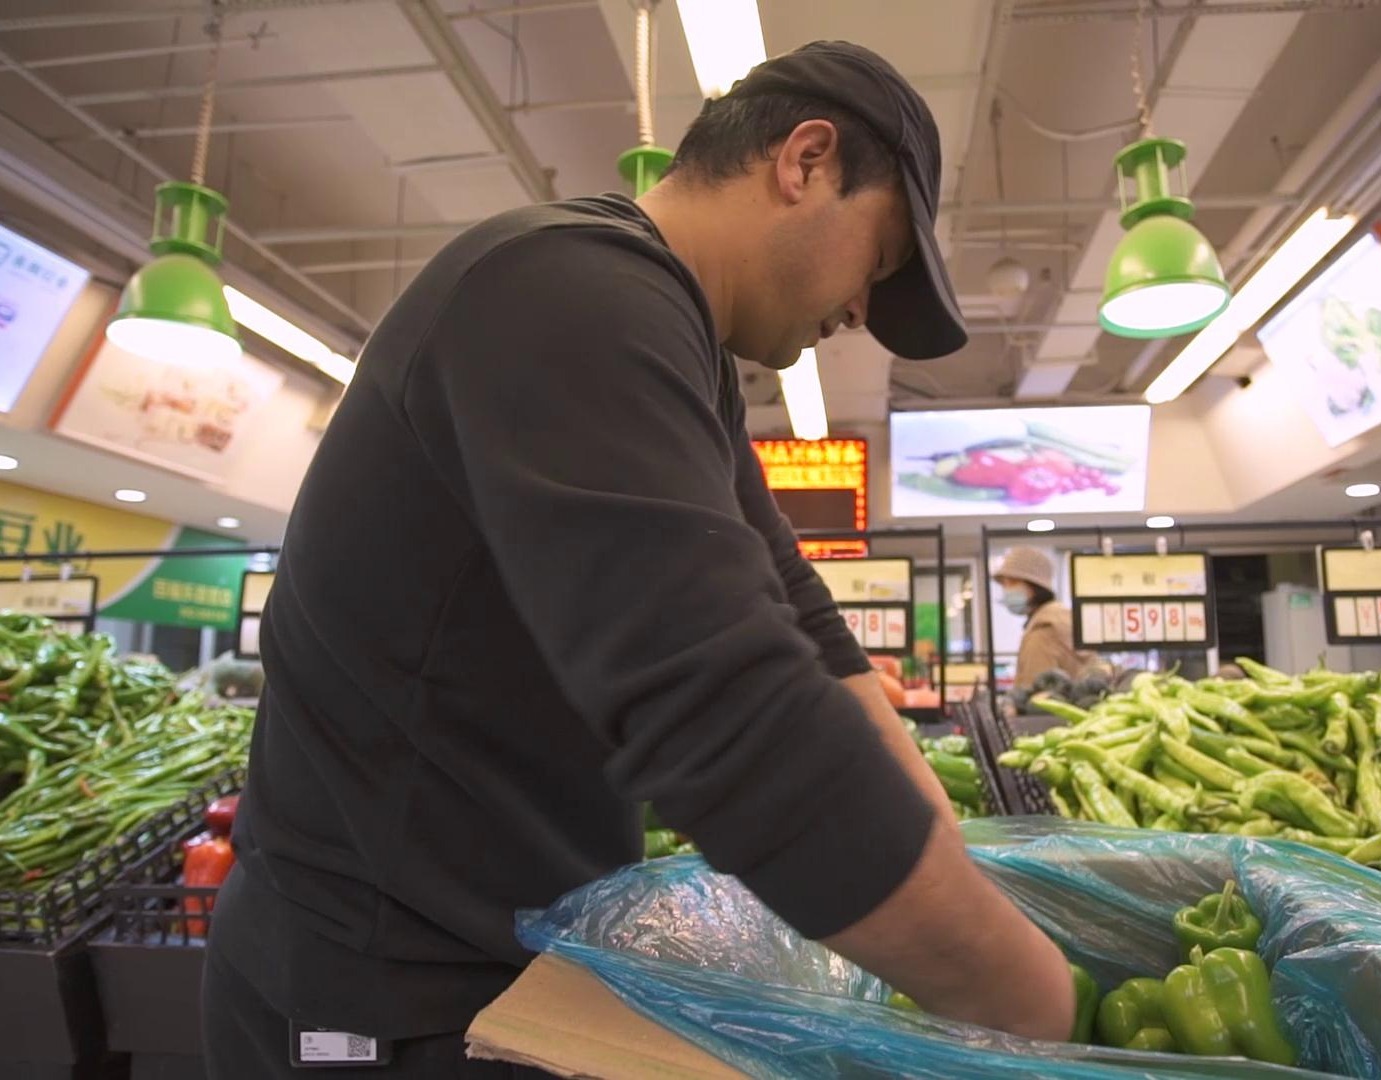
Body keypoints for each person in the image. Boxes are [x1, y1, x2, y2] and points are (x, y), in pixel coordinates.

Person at [203, 40, 1075, 1078]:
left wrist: (952, 855)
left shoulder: (681, 350)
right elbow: (725, 712)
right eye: (877, 263)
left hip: (513, 955)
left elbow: (802, 625)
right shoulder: (561, 288)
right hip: (381, 989)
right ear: (804, 160)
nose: (857, 316)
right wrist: (1033, 1003)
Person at [993, 546, 1101, 691]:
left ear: (1035, 586)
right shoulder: (1062, 616)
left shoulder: (1043, 631)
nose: (1006, 591)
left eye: (1012, 583)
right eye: (1004, 584)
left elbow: (1036, 698)